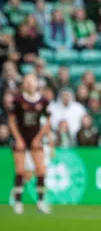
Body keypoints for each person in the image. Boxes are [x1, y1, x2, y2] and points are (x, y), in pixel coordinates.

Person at [7, 74, 52, 215]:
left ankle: (40, 202)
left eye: (31, 81)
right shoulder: (18, 100)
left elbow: (48, 121)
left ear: (36, 84)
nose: (29, 84)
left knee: (41, 171)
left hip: (35, 138)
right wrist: (18, 138)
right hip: (21, 138)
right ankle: (18, 202)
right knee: (20, 170)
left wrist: (39, 138)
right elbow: (12, 121)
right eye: (26, 82)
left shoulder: (43, 101)